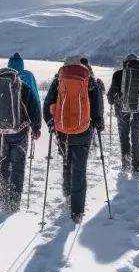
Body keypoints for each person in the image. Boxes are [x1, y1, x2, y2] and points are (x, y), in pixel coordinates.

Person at [43, 57, 104, 223]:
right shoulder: (91, 81)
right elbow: (98, 110)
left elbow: (47, 104)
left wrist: (51, 124)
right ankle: (77, 211)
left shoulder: (59, 80)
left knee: (66, 161)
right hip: (84, 131)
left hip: (63, 131)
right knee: (80, 168)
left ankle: (67, 192)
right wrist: (98, 124)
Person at [0, 62, 42, 213]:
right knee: (18, 168)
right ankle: (14, 203)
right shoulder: (23, 87)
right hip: (20, 134)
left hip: (0, 135)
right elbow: (35, 110)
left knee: (3, 167)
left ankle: (4, 199)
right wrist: (36, 128)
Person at [107, 53, 139, 174]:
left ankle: (126, 164)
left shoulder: (118, 75)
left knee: (124, 137)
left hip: (122, 111)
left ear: (125, 63)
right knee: (136, 139)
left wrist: (112, 101)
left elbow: (110, 96)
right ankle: (137, 168)